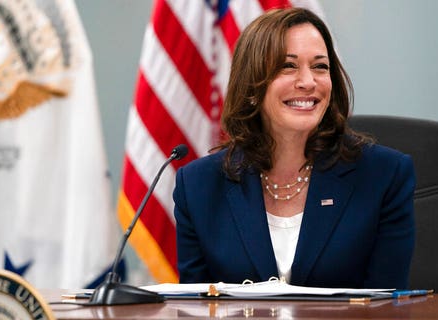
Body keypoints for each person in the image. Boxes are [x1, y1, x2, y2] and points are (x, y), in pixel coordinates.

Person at [173, 7, 415, 289]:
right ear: (252, 87)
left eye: (320, 66)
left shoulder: (383, 176)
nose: (308, 82)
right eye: (288, 66)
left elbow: (387, 306)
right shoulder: (199, 186)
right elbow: (197, 307)